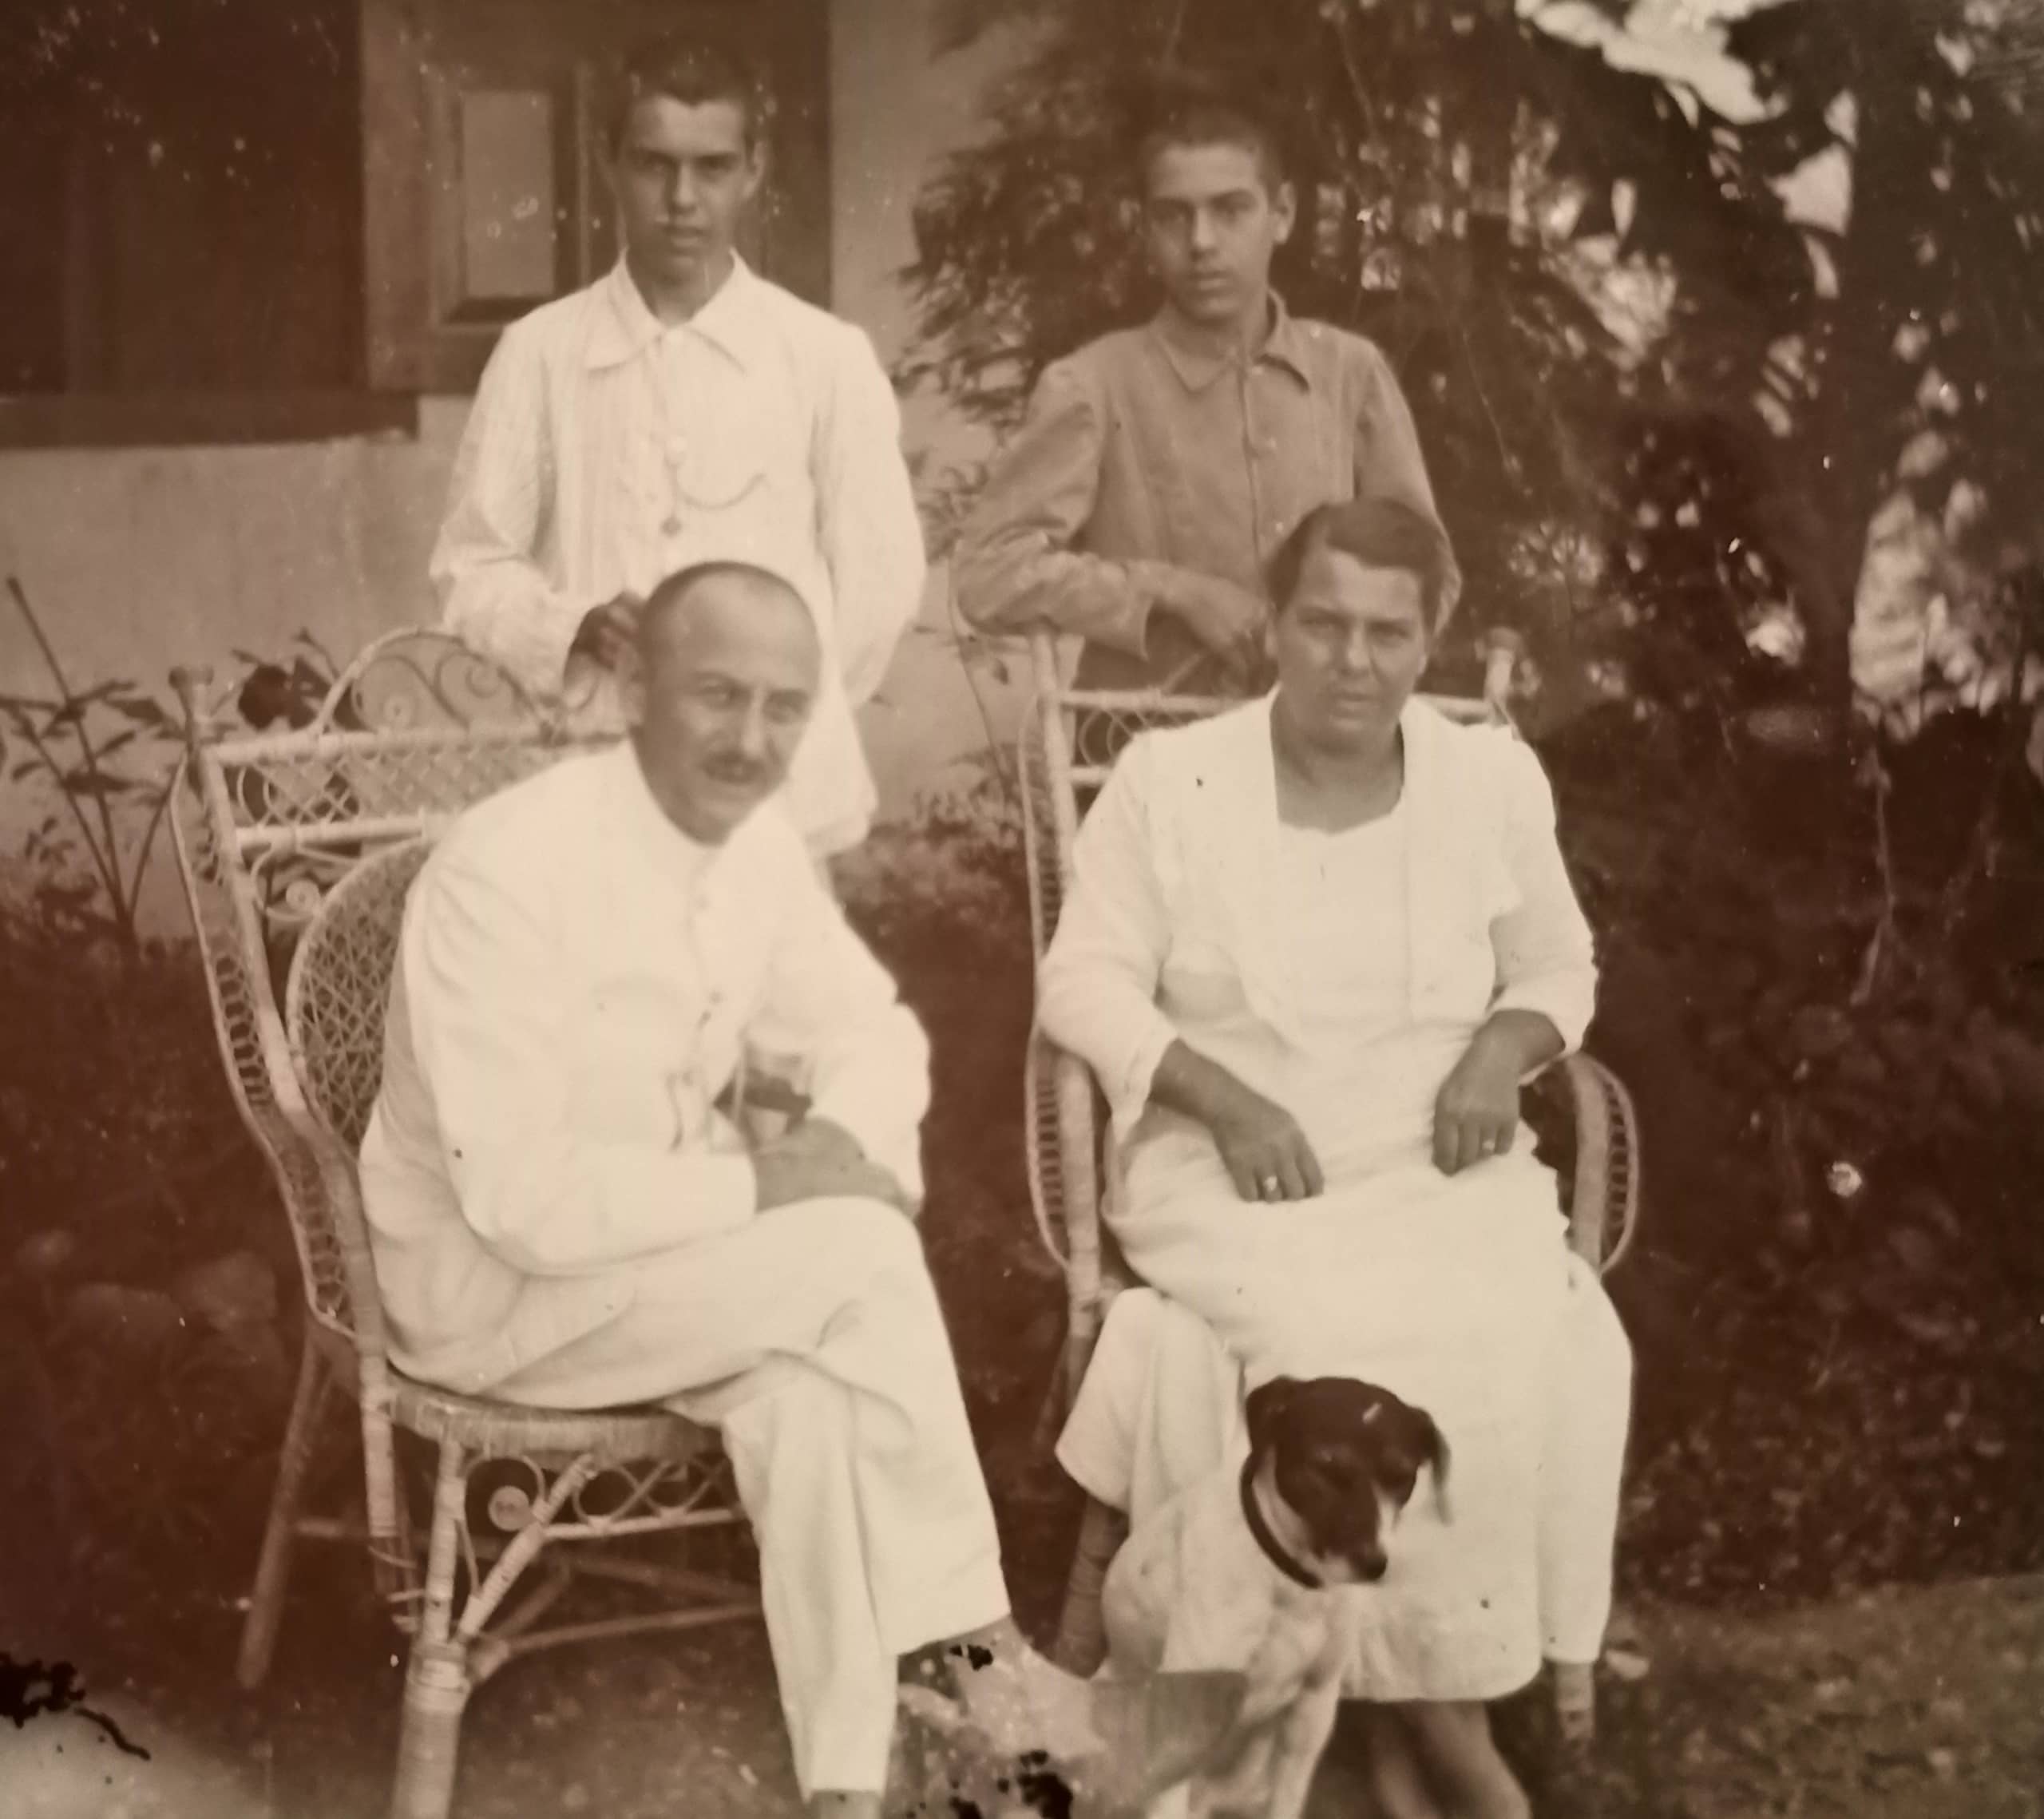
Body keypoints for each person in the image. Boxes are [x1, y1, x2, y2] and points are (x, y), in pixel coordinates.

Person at [359, 560, 1094, 1817]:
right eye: (717, 696)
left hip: (657, 1274)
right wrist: (781, 1188)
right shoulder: (506, 872)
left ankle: (844, 1791)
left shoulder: (752, 851)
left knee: (816, 1394)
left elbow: (876, 1039)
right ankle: (984, 1659)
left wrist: (840, 1157)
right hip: (493, 1294)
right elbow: (520, 1200)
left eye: (782, 707)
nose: (751, 740)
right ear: (637, 685)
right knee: (855, 1262)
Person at [1038, 499, 1631, 1819]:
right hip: (1239, 1172)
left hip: (1436, 1165)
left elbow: (1557, 965)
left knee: (1517, 1315)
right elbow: (1081, 985)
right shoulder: (1171, 781)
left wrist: (1496, 1056)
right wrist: (1218, 1094)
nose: (1353, 660)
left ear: (1431, 642)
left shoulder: (1490, 778)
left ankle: (1405, 1721)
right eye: (1323, 623)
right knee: (1330, 1333)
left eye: (1388, 631)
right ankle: (1447, 1734)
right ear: (1276, 623)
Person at [430, 33, 925, 858]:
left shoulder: (822, 357)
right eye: (655, 164)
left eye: (713, 167)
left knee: (770, 987)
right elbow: (469, 569)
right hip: (595, 780)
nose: (682, 199)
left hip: (777, 804)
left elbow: (881, 582)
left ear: (755, 170)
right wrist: (568, 627)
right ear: (609, 163)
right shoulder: (540, 352)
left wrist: (774, 727)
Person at [953, 69, 1457, 703]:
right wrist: (1172, 590)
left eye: (1231, 210)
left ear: (1283, 215)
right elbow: (988, 574)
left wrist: (1339, 652)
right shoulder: (1093, 386)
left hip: (1318, 747)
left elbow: (1431, 573)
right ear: (1144, 230)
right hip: (1145, 749)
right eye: (1174, 216)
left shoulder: (1350, 373)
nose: (1202, 242)